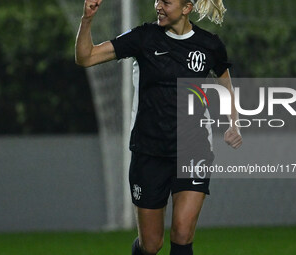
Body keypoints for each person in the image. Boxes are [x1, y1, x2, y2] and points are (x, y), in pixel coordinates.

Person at [75, 0, 242, 254]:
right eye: (157, 0)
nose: (158, 6)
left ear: (186, 8)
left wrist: (234, 123)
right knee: (151, 245)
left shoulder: (210, 45)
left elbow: (225, 84)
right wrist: (87, 19)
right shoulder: (143, 38)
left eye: (166, 1)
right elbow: (85, 57)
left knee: (183, 233)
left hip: (193, 150)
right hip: (149, 152)